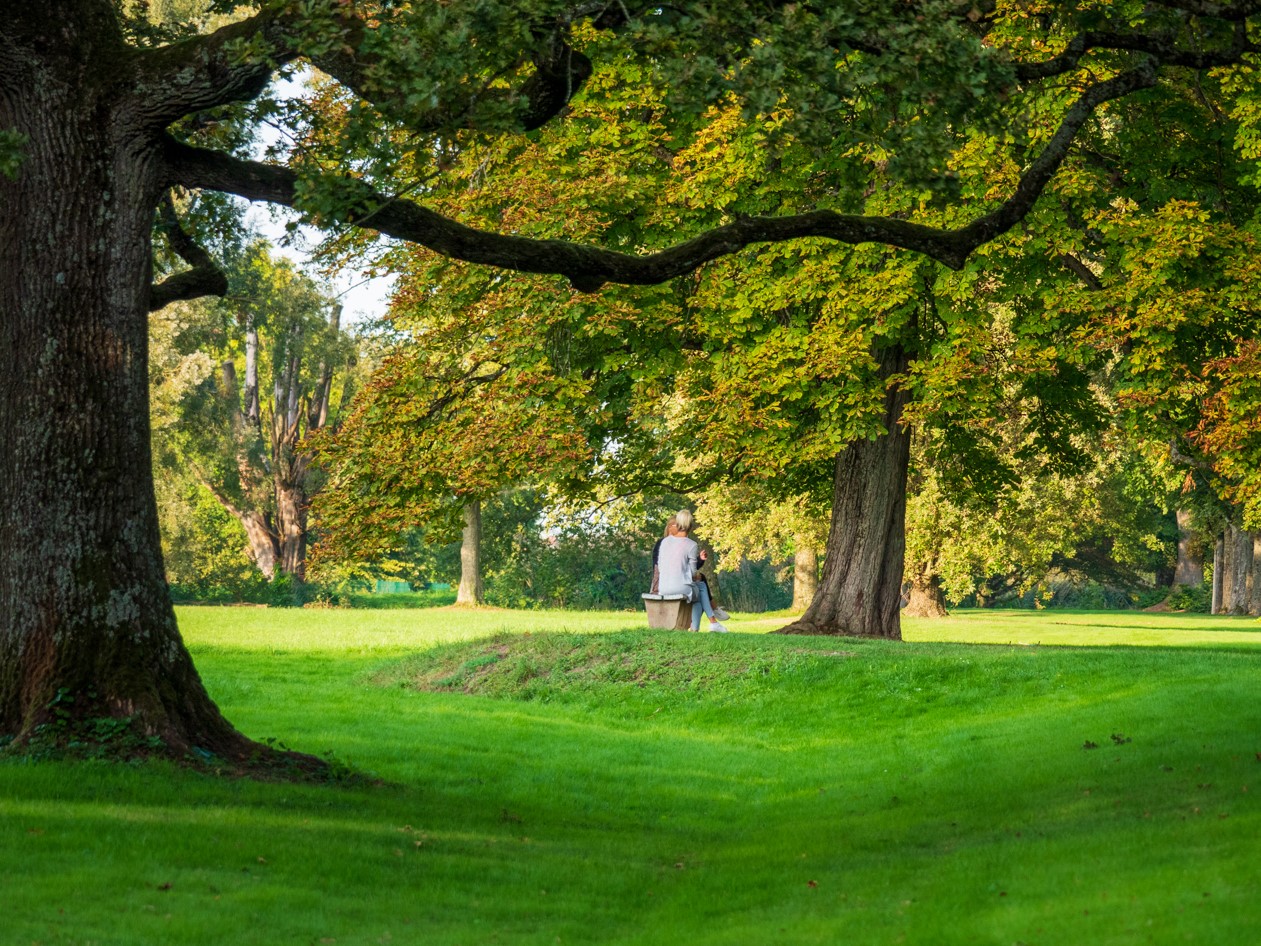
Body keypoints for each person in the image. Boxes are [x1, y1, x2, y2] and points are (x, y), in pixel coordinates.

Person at [656, 509, 729, 632]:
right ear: (690, 526)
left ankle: (698, 628)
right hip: (679, 588)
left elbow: (660, 567)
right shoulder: (691, 544)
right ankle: (712, 623)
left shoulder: (664, 542)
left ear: (677, 524)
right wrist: (693, 575)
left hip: (663, 587)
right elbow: (693, 572)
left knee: (699, 595)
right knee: (701, 587)